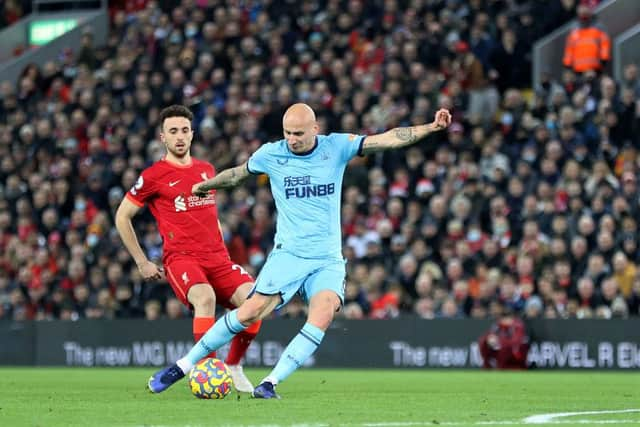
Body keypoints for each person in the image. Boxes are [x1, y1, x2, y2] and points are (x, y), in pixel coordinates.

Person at [147, 103, 452, 398]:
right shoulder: (271, 153)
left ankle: (269, 383)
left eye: (298, 134)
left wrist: (431, 127)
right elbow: (237, 174)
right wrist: (206, 185)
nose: (291, 140)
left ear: (315, 129)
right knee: (252, 311)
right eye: (287, 133)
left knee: (322, 313)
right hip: (289, 255)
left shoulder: (336, 147)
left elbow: (386, 139)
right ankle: (181, 366)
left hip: (327, 259)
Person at [115, 105, 261, 392]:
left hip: (217, 258)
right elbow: (122, 216)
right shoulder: (154, 175)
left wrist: (221, 249)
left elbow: (210, 215)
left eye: (184, 130)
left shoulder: (206, 170)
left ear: (192, 134)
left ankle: (233, 366)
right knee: (204, 297)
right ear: (163, 137)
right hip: (181, 259)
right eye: (173, 131)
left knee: (255, 302)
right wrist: (142, 261)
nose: (179, 137)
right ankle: (208, 370)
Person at [562, 1, 610, 75]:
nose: (583, 10)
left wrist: (604, 59)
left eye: (586, 7)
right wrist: (567, 64)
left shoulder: (598, 27)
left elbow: (605, 44)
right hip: (578, 70)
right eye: (581, 8)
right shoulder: (573, 29)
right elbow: (569, 48)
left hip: (596, 68)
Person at [478, 304, 530, 369]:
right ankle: (487, 366)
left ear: (512, 316)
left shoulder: (517, 325)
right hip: (500, 350)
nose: (505, 319)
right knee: (483, 342)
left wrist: (499, 341)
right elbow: (488, 335)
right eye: (503, 316)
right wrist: (489, 339)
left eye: (507, 316)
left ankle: (502, 367)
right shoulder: (498, 325)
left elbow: (516, 341)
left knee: (505, 348)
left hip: (516, 353)